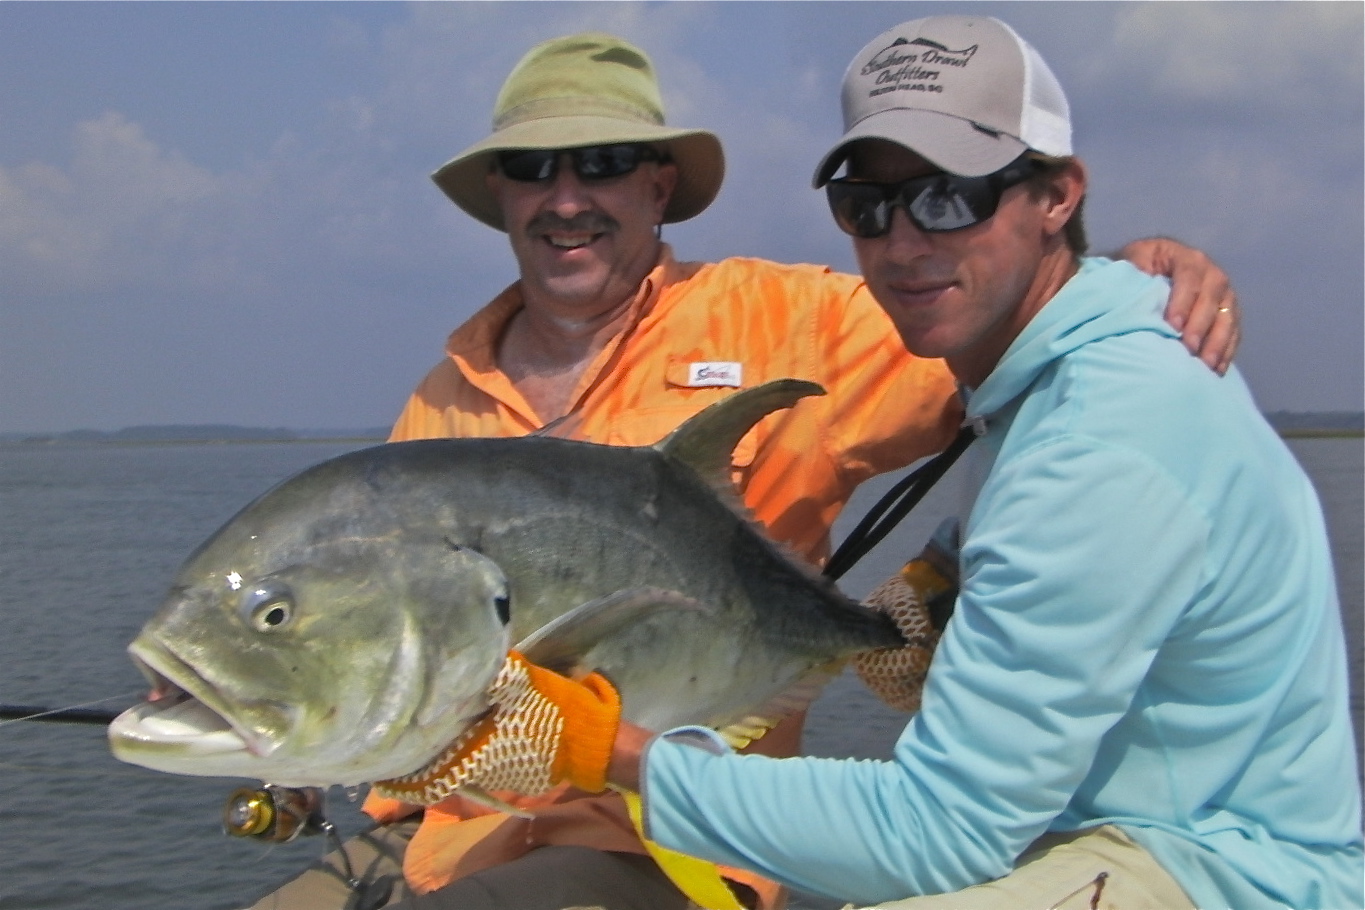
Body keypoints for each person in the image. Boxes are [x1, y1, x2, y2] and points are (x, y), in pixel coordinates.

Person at [249, 30, 1242, 910]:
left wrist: (1123, 275)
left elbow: (1009, 325)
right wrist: (293, 734)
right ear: (499, 194)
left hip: (664, 840)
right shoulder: (440, 401)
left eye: (601, 162)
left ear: (657, 184)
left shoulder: (783, 322)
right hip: (444, 831)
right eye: (529, 167)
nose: (564, 197)